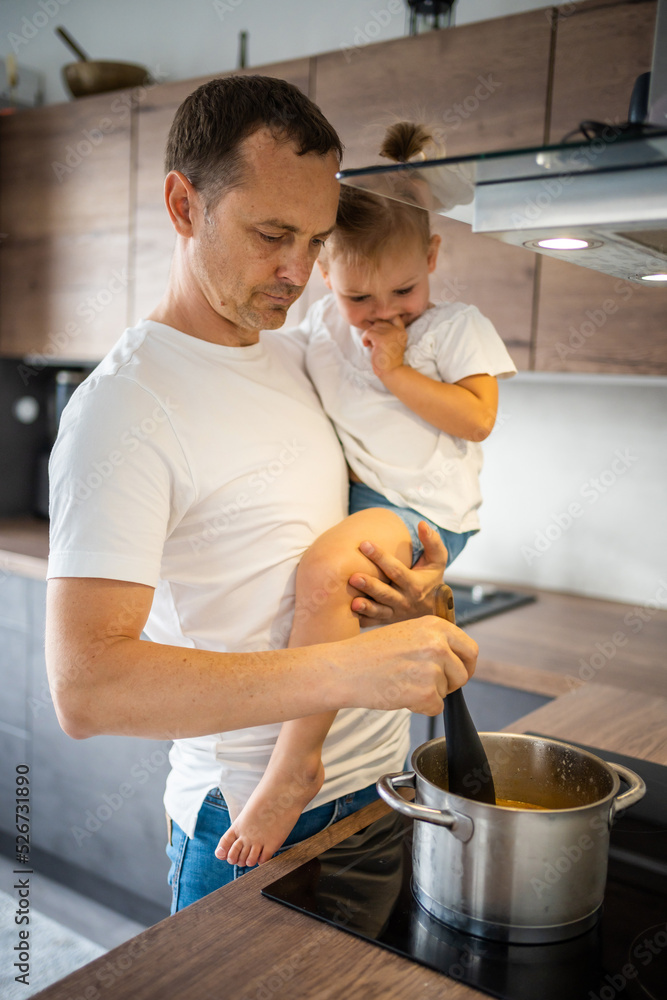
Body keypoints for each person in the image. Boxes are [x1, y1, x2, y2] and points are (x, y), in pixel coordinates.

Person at [45, 77, 479, 913]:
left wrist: (409, 601)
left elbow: (322, 557)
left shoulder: (299, 355)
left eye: (315, 241)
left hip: (380, 793)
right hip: (249, 825)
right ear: (183, 204)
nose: (298, 271)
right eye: (270, 234)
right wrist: (347, 667)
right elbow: (87, 689)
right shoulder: (125, 408)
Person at [217, 122, 516, 869]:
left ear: (433, 260)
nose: (384, 312)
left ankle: (296, 765)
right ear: (325, 276)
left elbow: (477, 418)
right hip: (362, 497)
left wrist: (397, 373)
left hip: (422, 511)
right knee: (325, 587)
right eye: (358, 294)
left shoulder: (451, 330)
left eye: (403, 290)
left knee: (327, 572)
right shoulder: (320, 325)